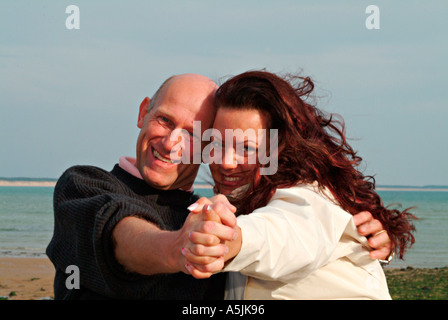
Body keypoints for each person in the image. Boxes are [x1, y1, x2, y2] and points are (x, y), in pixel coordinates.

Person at [46, 72, 393, 300]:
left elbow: (286, 233)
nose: (171, 144)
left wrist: (367, 240)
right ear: (143, 113)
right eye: (164, 120)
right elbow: (116, 230)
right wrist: (177, 246)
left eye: (195, 134)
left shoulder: (217, 217)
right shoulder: (84, 186)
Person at [183, 70, 416, 299]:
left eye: (247, 148)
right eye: (218, 143)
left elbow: (285, 235)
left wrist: (226, 239)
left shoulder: (309, 197)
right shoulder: (249, 198)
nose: (225, 162)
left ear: (282, 148)